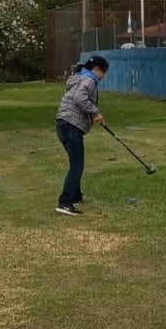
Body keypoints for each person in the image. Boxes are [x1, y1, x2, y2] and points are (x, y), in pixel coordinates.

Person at [54, 55, 109, 216]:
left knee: (75, 163)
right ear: (97, 69)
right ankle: (65, 203)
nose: (103, 76)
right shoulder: (89, 80)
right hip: (72, 126)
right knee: (77, 166)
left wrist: (92, 115)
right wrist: (95, 113)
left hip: (62, 124)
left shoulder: (78, 78)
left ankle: (75, 196)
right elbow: (80, 98)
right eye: (104, 72)